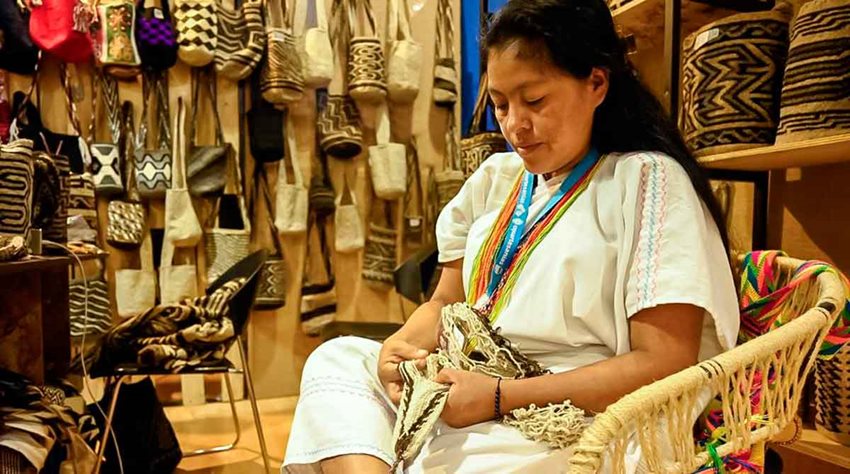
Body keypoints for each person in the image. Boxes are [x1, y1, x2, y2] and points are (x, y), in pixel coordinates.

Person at [283, 0, 740, 472]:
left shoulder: (646, 180)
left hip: (576, 411)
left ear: (597, 84)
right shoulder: (497, 178)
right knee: (338, 361)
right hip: (471, 384)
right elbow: (445, 302)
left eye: (535, 101)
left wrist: (501, 397)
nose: (515, 125)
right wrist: (405, 346)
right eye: (501, 104)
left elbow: (664, 361)